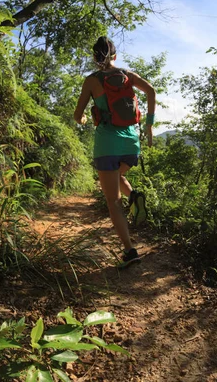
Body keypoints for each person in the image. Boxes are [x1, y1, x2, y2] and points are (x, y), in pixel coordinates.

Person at [73, 36, 156, 268]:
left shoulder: (91, 81)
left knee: (112, 201)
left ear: (94, 57)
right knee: (117, 177)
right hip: (131, 143)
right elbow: (151, 91)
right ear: (115, 56)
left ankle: (130, 251)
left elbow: (77, 114)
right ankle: (135, 197)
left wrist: (83, 119)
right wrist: (149, 124)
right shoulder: (128, 75)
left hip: (107, 145)